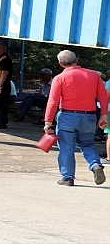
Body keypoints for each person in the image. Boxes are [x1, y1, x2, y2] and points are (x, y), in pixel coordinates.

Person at [43, 50, 108, 186]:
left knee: (66, 147)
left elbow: (53, 101)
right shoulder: (94, 75)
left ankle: (67, 177)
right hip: (89, 116)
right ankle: (95, 164)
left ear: (60, 64)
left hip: (67, 116)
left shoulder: (59, 78)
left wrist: (48, 122)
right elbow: (103, 96)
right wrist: (103, 115)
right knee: (87, 144)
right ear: (77, 60)